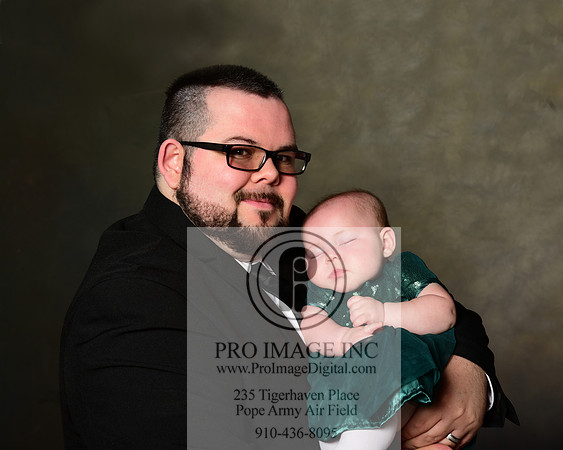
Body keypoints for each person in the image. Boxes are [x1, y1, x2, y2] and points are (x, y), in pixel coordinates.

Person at [60, 65, 517, 449]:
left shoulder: (291, 231)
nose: (269, 175)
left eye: (283, 157)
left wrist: (467, 380)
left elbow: (435, 302)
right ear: (175, 162)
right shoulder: (129, 303)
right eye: (241, 152)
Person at [300, 190, 459, 449]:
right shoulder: (320, 292)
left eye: (345, 241)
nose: (329, 258)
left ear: (385, 242)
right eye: (314, 253)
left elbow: (444, 312)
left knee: (374, 427)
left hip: (401, 383)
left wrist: (385, 313)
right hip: (339, 389)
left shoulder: (400, 271)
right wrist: (342, 337)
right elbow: (308, 324)